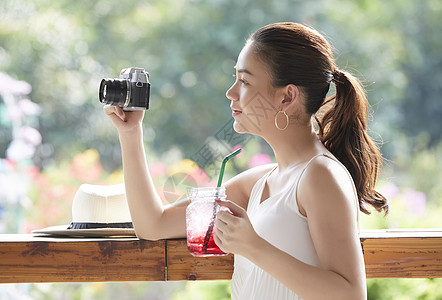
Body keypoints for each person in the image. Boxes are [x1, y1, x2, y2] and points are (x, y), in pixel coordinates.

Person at [105, 22, 388, 300]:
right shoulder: (259, 181)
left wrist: (254, 246)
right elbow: (154, 224)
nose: (231, 93)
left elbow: (350, 294)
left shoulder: (321, 176)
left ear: (287, 97)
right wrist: (131, 132)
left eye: (244, 81)